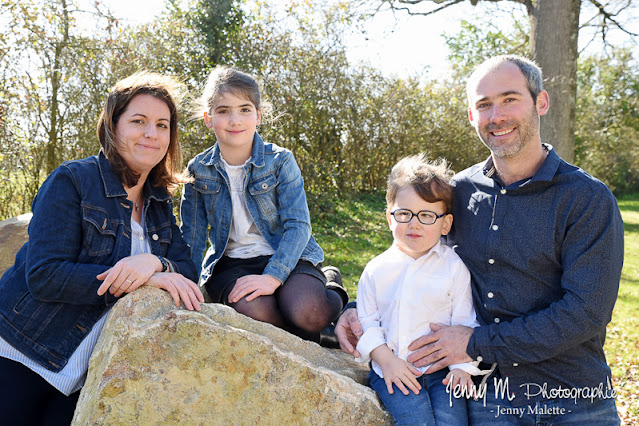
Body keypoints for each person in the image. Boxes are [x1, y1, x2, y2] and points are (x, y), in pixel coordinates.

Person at [337, 55, 624, 425]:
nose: (496, 115)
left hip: (573, 398)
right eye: (483, 105)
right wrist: (358, 307)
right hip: (485, 399)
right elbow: (413, 255)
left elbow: (585, 313)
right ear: (472, 116)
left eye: (509, 99)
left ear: (541, 102)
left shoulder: (587, 199)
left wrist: (474, 343)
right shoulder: (458, 192)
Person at [0, 71, 205, 425]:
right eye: (138, 121)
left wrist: (155, 263)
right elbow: (45, 275)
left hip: (82, 376)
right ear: (113, 125)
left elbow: (187, 273)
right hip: (21, 352)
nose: (151, 134)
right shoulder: (73, 181)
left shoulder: (158, 203)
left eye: (162, 125)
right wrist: (140, 278)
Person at [180, 66, 348, 344]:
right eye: (223, 111)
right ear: (209, 119)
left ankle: (331, 286)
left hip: (286, 255)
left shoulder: (280, 161)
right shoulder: (198, 170)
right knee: (255, 312)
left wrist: (273, 276)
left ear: (258, 116)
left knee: (309, 311)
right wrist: (188, 284)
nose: (235, 120)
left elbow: (298, 226)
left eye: (245, 109)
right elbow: (192, 237)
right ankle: (316, 337)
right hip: (231, 264)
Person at [355, 154, 489, 425]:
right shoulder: (376, 270)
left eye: (427, 215)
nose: (414, 223)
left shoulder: (454, 267)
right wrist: (387, 362)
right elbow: (367, 324)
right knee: (416, 420)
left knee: (453, 421)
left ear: (445, 224)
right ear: (390, 218)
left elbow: (463, 320)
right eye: (404, 213)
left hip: (443, 371)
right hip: (392, 367)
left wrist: (462, 368)